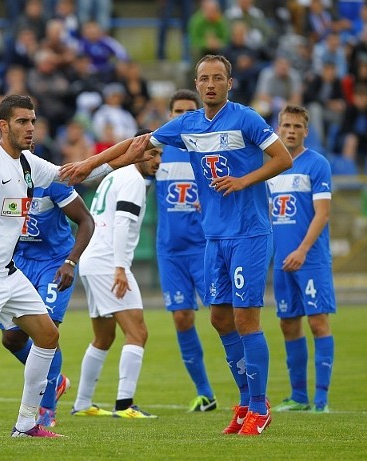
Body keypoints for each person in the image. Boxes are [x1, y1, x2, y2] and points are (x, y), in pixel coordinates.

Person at [60, 55, 293, 436]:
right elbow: (136, 145)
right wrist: (91, 164)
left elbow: (281, 158)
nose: (211, 84)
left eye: (218, 78)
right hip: (213, 236)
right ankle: (245, 399)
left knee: (244, 320)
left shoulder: (247, 118)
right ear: (197, 84)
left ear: (230, 83)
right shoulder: (186, 125)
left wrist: (243, 180)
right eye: (204, 79)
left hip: (249, 232)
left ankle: (258, 405)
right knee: (218, 318)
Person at [0, 94, 152, 441]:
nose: (30, 127)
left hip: (7, 269)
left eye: (32, 120)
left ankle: (28, 423)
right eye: (22, 121)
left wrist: (123, 157)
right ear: (3, 126)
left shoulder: (29, 164)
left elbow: (76, 174)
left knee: (47, 336)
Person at [0, 141, 95, 428]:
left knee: (46, 334)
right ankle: (56, 379)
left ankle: (45, 411)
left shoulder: (51, 181)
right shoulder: (3, 183)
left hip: (54, 262)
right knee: (12, 339)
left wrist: (71, 262)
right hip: (19, 263)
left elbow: (86, 220)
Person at [71, 131, 162, 419]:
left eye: (160, 154)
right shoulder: (133, 180)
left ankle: (83, 404)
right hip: (109, 262)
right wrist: (121, 268)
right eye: (152, 153)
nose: (157, 160)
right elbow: (122, 223)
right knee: (138, 332)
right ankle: (124, 405)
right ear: (136, 150)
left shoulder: (116, 175)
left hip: (94, 259)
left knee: (104, 336)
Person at [267, 105, 335, 414]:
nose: (291, 130)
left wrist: (302, 249)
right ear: (278, 129)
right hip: (282, 261)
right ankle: (298, 397)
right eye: (286, 125)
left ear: (306, 131)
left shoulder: (317, 164)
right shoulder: (271, 167)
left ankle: (320, 400)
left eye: (296, 126)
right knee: (287, 324)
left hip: (310, 259)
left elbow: (323, 213)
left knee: (318, 323)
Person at [155, 89, 217, 413]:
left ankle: (249, 390)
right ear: (169, 116)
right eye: (176, 111)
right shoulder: (158, 154)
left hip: (204, 248)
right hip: (170, 252)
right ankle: (205, 392)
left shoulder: (207, 150)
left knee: (224, 317)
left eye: (188, 112)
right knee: (181, 317)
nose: (182, 116)